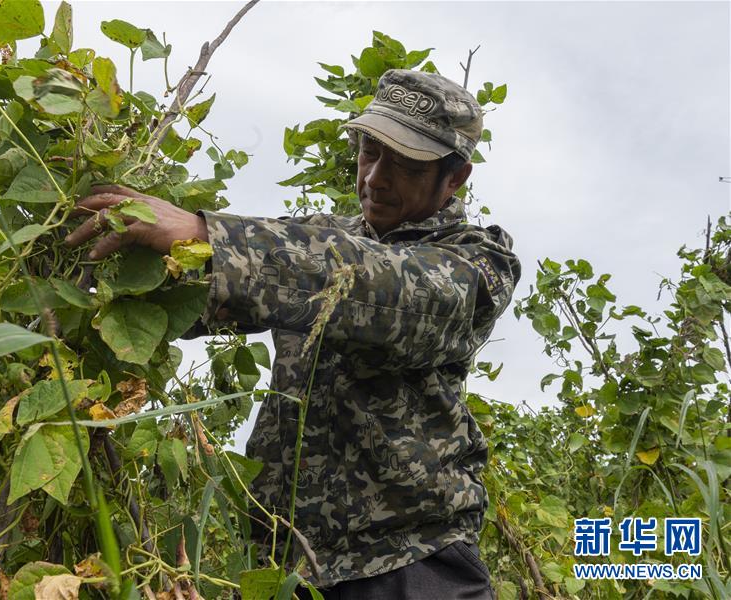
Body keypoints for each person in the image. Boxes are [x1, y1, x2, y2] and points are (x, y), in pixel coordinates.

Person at [65, 69, 521, 599]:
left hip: (412, 561)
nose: (376, 178)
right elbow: (196, 303)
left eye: (405, 165)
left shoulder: (478, 262)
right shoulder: (321, 236)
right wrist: (104, 263)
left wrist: (206, 234)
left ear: (455, 177)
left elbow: (384, 287)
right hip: (289, 565)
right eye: (370, 152)